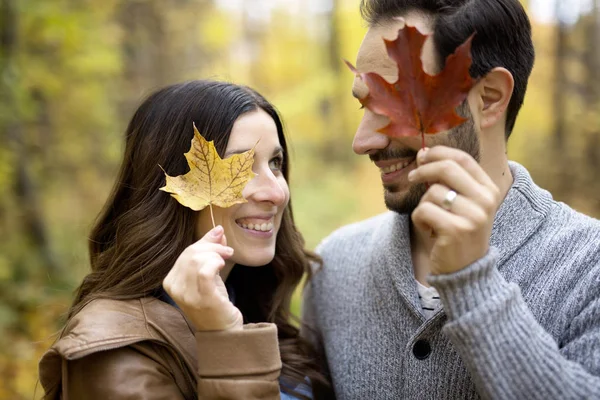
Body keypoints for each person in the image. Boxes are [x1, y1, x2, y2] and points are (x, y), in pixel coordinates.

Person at [302, 1, 600, 399]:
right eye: (364, 103)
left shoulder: (590, 269)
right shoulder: (333, 268)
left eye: (395, 104)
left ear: (490, 99)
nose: (362, 142)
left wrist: (472, 282)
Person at [39, 80, 331, 399]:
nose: (276, 192)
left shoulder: (252, 302)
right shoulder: (116, 349)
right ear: (172, 188)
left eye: (275, 163)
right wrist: (223, 339)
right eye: (241, 166)